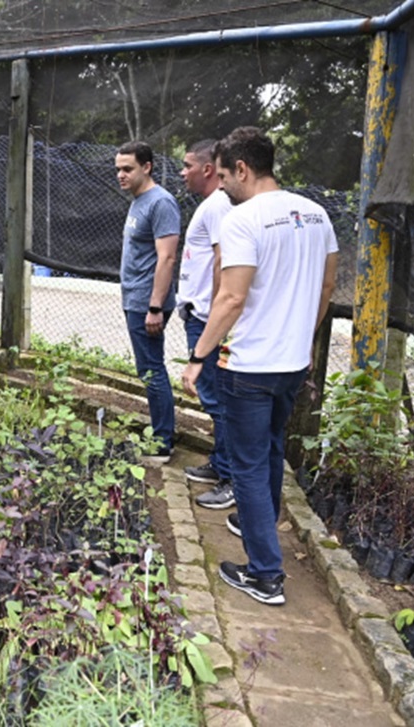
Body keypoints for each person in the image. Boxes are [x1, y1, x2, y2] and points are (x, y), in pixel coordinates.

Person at [183, 127, 338, 606]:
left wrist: (198, 357)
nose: (221, 185)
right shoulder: (317, 214)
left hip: (249, 365)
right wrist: (304, 336)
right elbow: (327, 286)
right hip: (292, 363)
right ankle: (261, 525)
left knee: (247, 466)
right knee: (269, 449)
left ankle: (265, 574)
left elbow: (230, 298)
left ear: (242, 169)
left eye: (224, 176)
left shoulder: (242, 219)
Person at [176, 140, 234, 507]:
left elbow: (222, 262)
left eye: (188, 166)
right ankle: (219, 462)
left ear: (208, 169)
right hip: (199, 315)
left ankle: (230, 477)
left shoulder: (218, 206)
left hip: (206, 319)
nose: (183, 172)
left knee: (217, 398)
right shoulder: (212, 205)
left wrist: (215, 317)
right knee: (212, 395)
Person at [115, 140, 179, 462]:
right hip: (135, 298)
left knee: (152, 369)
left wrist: (155, 307)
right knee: (147, 368)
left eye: (128, 169)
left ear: (147, 167)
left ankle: (163, 441)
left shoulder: (161, 202)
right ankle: (160, 432)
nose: (121, 175)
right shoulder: (138, 200)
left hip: (147, 303)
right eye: (118, 169)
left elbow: (166, 258)